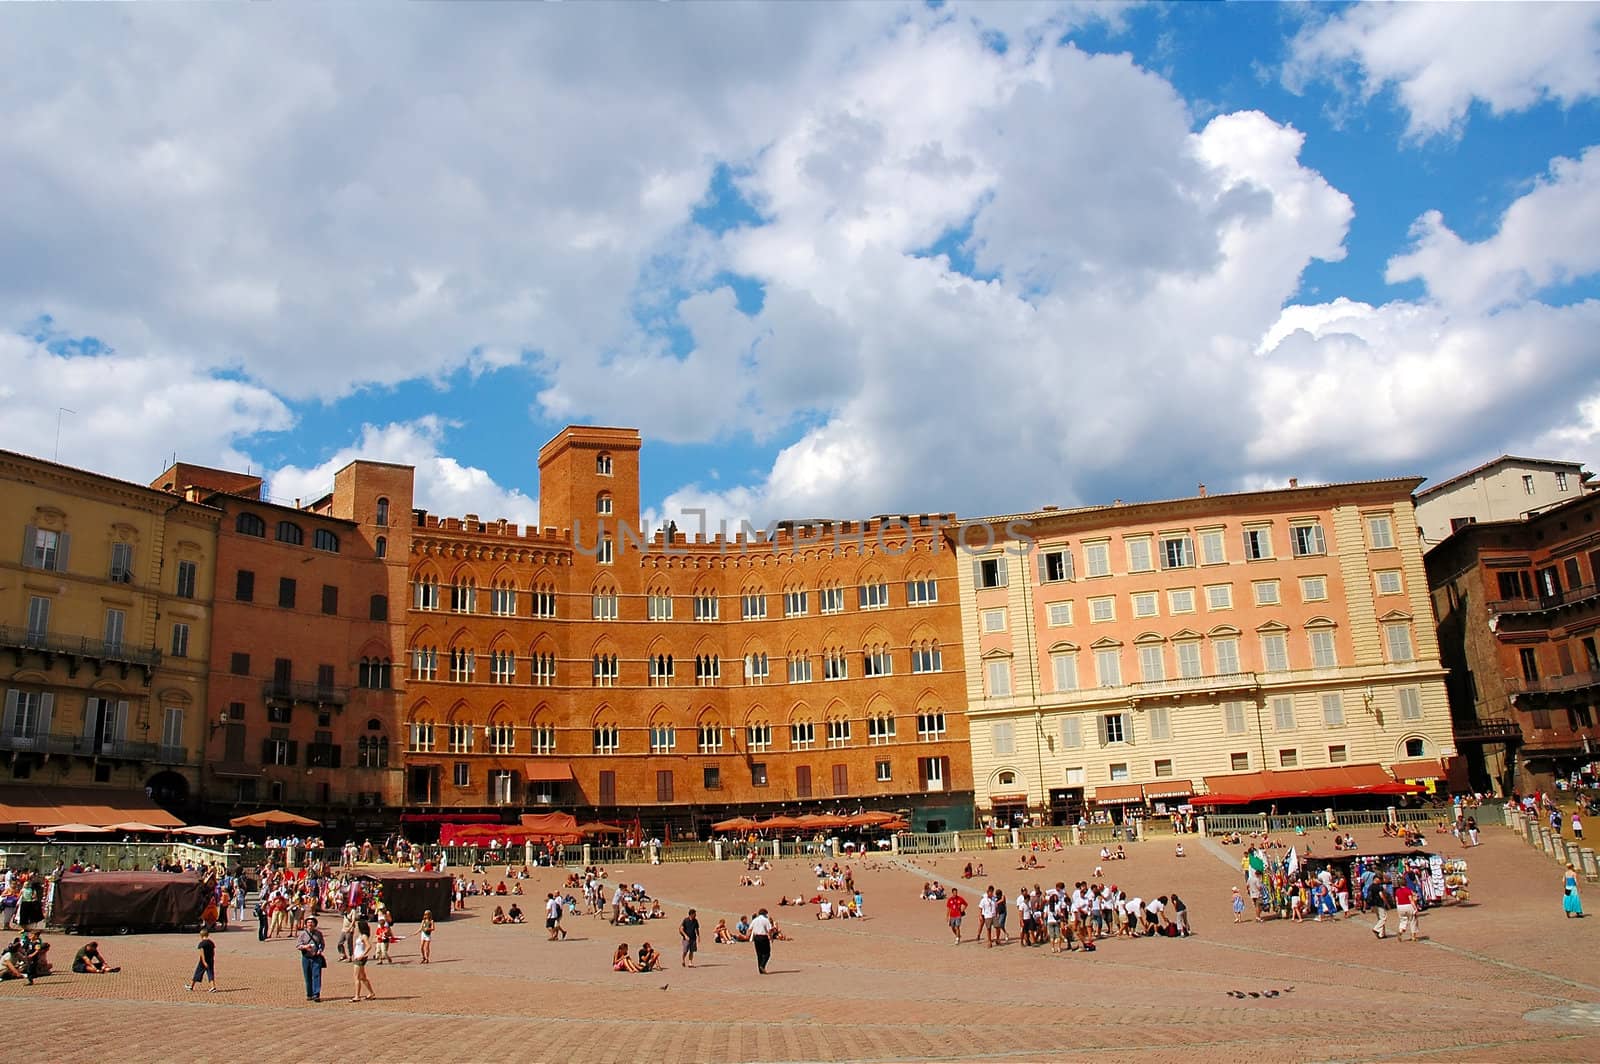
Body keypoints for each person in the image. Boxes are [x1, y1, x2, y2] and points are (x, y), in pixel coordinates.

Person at [296, 916, 326, 1002]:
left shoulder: (319, 934)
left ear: (315, 924)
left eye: (312, 922)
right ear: (306, 924)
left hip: (316, 957)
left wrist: (320, 950)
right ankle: (309, 994)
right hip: (306, 957)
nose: (310, 924)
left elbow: (322, 944)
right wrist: (305, 947)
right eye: (308, 922)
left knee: (316, 975)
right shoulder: (303, 934)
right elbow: (298, 945)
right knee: (307, 976)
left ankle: (316, 994)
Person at [351, 919, 376, 1001]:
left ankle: (357, 996)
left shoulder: (364, 936)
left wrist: (362, 955)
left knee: (356, 977)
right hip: (357, 956)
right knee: (362, 977)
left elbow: (369, 946)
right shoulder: (361, 935)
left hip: (360, 958)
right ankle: (371, 993)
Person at [749, 908, 774, 974]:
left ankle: (760, 970)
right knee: (767, 953)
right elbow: (769, 930)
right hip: (763, 937)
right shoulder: (766, 920)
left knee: (759, 954)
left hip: (756, 937)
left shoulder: (755, 920)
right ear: (765, 914)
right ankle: (762, 966)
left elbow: (750, 929)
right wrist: (771, 937)